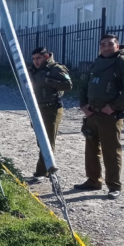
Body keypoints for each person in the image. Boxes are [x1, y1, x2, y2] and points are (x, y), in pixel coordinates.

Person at [75, 34, 124, 199]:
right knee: (91, 150)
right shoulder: (97, 62)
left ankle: (113, 186)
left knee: (111, 151)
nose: (106, 47)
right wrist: (84, 106)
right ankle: (93, 181)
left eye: (110, 44)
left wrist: (113, 107)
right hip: (92, 114)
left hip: (109, 116)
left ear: (117, 46)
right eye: (103, 44)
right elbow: (85, 86)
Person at [27, 47, 72, 180]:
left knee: (47, 140)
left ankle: (43, 171)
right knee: (41, 140)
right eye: (34, 59)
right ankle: (44, 168)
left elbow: (68, 85)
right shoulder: (33, 70)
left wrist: (50, 81)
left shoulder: (56, 69)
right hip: (37, 108)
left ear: (46, 57)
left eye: (38, 58)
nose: (36, 61)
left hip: (51, 108)